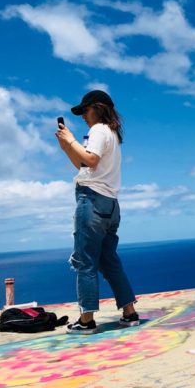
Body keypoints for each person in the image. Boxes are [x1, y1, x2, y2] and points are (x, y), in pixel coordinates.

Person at [55, 90, 139, 334]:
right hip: (110, 204)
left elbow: (90, 161)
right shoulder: (111, 134)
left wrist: (71, 140)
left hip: (92, 200)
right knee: (109, 260)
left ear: (98, 108)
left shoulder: (99, 130)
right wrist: (67, 146)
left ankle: (86, 320)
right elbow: (83, 165)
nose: (83, 115)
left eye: (85, 110)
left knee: (85, 262)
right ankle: (129, 313)